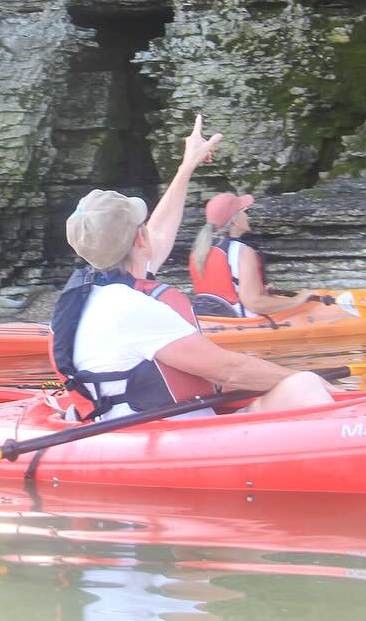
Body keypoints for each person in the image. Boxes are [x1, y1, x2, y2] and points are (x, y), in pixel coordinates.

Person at [51, 115, 334, 421]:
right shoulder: (131, 309)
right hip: (165, 437)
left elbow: (159, 231)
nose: (149, 231)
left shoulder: (95, 293)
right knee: (304, 387)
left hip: (133, 421)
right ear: (139, 238)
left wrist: (187, 166)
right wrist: (313, 380)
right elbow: (231, 372)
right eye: (142, 227)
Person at [187, 191, 316, 318]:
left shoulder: (198, 251)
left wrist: (260, 290)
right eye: (246, 211)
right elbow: (254, 303)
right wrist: (298, 300)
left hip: (209, 321)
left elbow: (225, 288)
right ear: (235, 220)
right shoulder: (242, 251)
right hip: (243, 324)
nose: (248, 216)